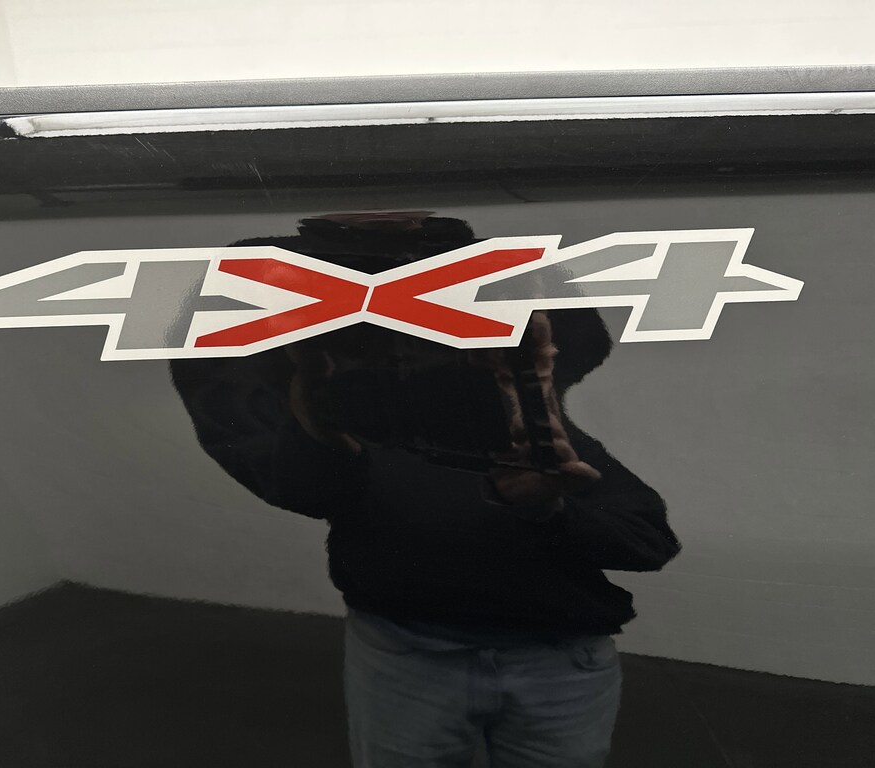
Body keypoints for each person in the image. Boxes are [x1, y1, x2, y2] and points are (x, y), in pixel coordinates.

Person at [171, 213, 681, 768]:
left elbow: (647, 541)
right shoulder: (361, 444)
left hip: (552, 658)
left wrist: (550, 507)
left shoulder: (546, 448)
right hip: (409, 651)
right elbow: (306, 490)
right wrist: (317, 431)